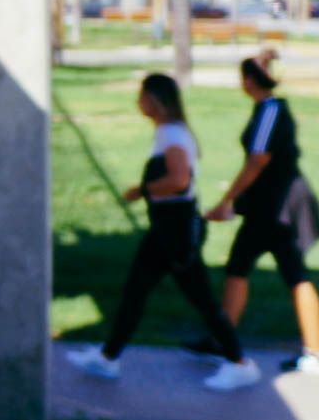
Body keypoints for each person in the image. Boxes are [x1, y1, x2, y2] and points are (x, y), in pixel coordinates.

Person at [69, 73, 261, 390]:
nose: (138, 103)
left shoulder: (172, 134)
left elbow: (179, 181)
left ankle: (240, 363)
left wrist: (141, 189)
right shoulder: (168, 132)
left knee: (202, 301)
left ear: (155, 101)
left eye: (142, 97)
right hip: (165, 230)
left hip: (176, 232)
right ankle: (107, 358)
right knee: (135, 293)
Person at [193, 54, 319, 375]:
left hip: (277, 209)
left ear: (248, 80)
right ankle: (228, 339)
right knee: (245, 267)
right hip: (269, 206)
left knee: (284, 273)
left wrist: (227, 201)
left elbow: (257, 160)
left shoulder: (270, 111)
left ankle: (317, 351)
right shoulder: (268, 109)